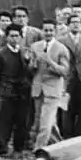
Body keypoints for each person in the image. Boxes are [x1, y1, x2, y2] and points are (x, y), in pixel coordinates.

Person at [0, 24, 32, 157]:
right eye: (12, 36)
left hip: (23, 92)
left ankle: (18, 148)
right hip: (7, 91)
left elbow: (29, 72)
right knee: (5, 122)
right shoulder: (0, 54)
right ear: (7, 37)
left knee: (21, 121)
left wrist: (27, 61)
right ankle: (3, 148)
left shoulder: (25, 52)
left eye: (17, 36)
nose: (14, 39)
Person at [28, 19, 70, 150]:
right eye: (46, 30)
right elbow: (31, 69)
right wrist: (33, 63)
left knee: (45, 123)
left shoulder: (61, 48)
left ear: (55, 31)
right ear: (42, 31)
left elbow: (64, 71)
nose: (48, 33)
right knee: (48, 122)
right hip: (38, 89)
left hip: (53, 90)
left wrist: (50, 62)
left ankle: (39, 149)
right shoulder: (35, 46)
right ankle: (59, 146)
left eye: (51, 30)